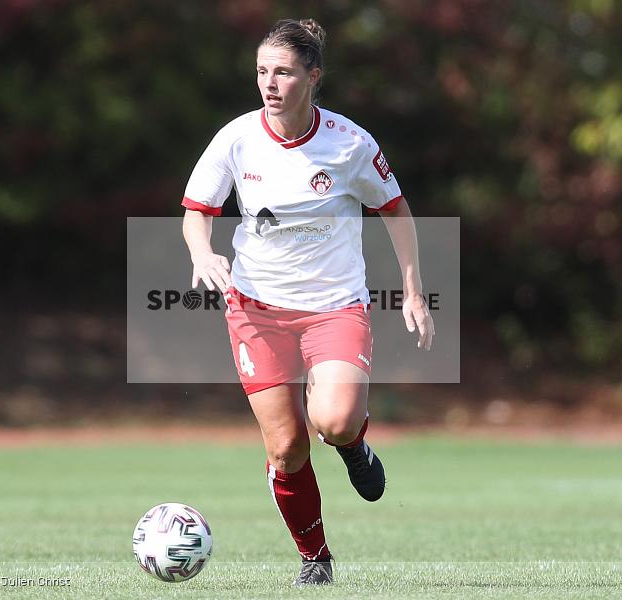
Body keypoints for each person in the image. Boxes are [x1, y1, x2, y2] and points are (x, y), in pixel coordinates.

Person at [181, 18, 434, 585]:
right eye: (262, 72)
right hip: (255, 310)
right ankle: (315, 559)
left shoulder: (349, 144)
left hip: (334, 306)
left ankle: (354, 447)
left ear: (313, 76)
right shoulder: (237, 137)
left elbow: (395, 210)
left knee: (336, 421)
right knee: (288, 446)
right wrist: (202, 253)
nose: (270, 84)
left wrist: (413, 289)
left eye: (284, 72)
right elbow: (197, 210)